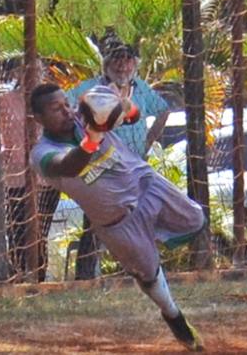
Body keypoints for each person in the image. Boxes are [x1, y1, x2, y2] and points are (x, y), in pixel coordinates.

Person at [29, 83, 204, 351]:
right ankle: (172, 315)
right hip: (117, 221)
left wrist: (121, 105)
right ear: (39, 119)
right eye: (56, 108)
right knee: (148, 273)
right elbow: (68, 166)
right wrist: (93, 137)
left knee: (196, 220)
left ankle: (157, 241)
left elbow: (132, 116)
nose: (66, 110)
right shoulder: (42, 153)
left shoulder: (87, 112)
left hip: (147, 186)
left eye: (66, 103)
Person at [66, 44, 170, 280]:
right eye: (116, 59)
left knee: (136, 219)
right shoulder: (93, 88)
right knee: (95, 220)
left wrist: (148, 142)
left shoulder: (140, 89)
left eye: (127, 59)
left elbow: (163, 110)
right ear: (106, 64)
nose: (122, 64)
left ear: (134, 64)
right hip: (103, 166)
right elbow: (69, 106)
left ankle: (137, 272)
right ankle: (86, 278)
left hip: (134, 165)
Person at [0, 59, 60, 282]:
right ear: (16, 73)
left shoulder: (52, 102)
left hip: (45, 177)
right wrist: (1, 151)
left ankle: (38, 278)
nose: (31, 74)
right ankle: (19, 276)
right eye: (24, 70)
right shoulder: (4, 101)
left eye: (36, 70)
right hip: (15, 177)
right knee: (17, 232)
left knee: (39, 233)